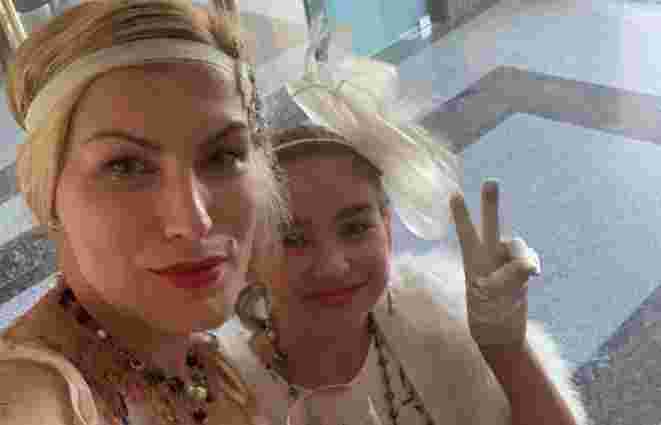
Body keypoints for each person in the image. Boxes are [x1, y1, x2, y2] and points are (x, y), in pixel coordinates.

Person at [217, 50, 589, 425]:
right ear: (252, 250)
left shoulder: (438, 322)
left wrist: (508, 351)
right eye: (294, 239)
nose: (333, 265)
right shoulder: (224, 390)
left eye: (355, 228)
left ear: (387, 227)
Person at [0, 1, 287, 424]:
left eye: (223, 156)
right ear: (44, 194)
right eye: (126, 167)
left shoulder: (208, 365)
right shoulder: (32, 401)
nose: (194, 222)